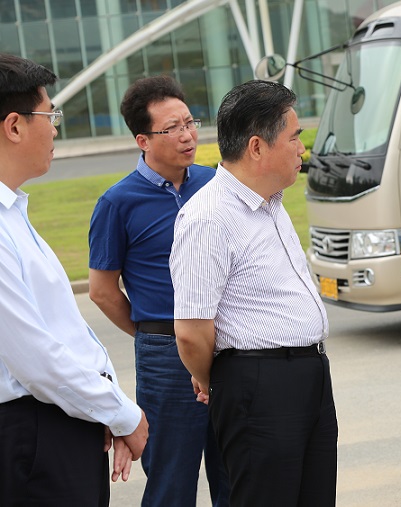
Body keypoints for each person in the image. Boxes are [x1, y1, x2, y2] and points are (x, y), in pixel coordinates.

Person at [170, 80, 336, 506]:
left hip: (308, 374)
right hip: (258, 386)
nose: (303, 148)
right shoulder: (208, 218)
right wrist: (222, 380)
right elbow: (191, 332)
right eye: (295, 137)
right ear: (257, 147)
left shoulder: (271, 202)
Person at [0, 53, 149, 504]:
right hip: (35, 434)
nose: (55, 128)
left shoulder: (14, 214)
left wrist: (104, 407)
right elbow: (35, 357)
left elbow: (64, 334)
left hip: (58, 421)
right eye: (50, 115)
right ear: (14, 126)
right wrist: (125, 416)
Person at [88, 75, 230, 506]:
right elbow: (102, 290)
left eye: (190, 122)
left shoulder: (218, 183)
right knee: (171, 478)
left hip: (228, 346)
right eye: (173, 128)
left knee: (237, 472)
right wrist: (149, 333)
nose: (188, 135)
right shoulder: (118, 202)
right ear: (143, 140)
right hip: (165, 355)